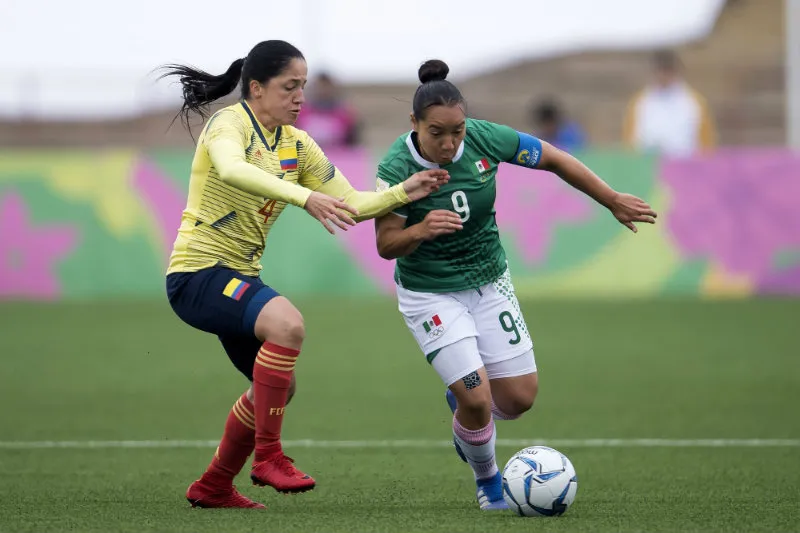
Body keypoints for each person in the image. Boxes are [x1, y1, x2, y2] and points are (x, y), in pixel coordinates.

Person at [159, 40, 448, 509]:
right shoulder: (228, 124)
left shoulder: (297, 143)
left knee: (277, 387)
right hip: (197, 272)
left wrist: (404, 192)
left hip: (237, 274)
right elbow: (232, 171)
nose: (300, 97)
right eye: (289, 86)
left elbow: (352, 202)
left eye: (303, 87)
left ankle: (213, 485)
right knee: (287, 324)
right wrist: (303, 197)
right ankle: (268, 457)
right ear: (256, 87)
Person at [373, 60, 657, 510]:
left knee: (519, 399)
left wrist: (612, 200)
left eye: (457, 131)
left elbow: (555, 158)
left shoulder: (487, 138)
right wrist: (421, 229)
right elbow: (387, 245)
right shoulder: (396, 166)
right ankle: (489, 484)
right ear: (415, 124)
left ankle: (466, 406)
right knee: (480, 397)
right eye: (437, 133)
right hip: (431, 293)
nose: (449, 144)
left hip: (489, 281)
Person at [622, 49, 716, 157]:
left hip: (685, 166)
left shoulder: (694, 103)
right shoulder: (639, 103)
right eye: (660, 70)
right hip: (649, 166)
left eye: (667, 70)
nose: (663, 75)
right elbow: (629, 145)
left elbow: (706, 147)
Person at [293, 71, 361, 149]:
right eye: (319, 87)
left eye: (326, 87)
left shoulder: (345, 114)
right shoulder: (300, 113)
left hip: (338, 157)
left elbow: (353, 141)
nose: (323, 91)